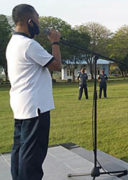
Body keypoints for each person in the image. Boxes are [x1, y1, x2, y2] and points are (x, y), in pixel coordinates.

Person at [6, 4, 62, 180]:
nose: (38, 24)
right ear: (30, 21)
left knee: (20, 151)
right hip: (35, 107)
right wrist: (55, 42)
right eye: (37, 20)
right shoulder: (29, 45)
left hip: (22, 106)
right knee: (32, 157)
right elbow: (56, 65)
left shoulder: (13, 43)